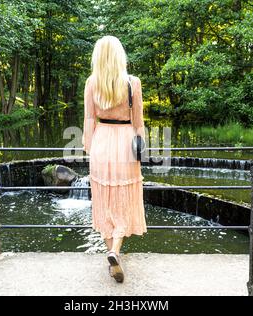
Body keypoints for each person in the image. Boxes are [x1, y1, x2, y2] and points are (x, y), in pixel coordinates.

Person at [82, 36, 147, 283]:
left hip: (101, 142)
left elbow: (89, 119)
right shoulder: (133, 83)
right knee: (125, 197)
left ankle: (111, 253)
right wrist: (142, 150)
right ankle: (115, 250)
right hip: (125, 142)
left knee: (104, 198)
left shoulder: (91, 83)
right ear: (120, 56)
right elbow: (138, 122)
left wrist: (89, 147)